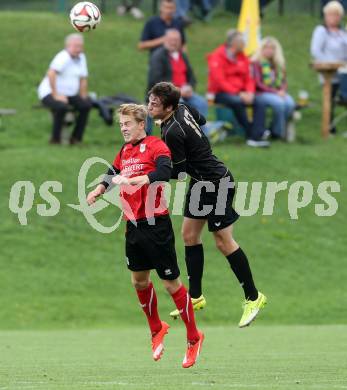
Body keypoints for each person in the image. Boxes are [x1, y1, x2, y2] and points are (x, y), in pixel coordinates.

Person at [86, 103, 204, 368]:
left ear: (142, 124)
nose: (123, 129)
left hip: (156, 224)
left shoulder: (156, 146)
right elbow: (113, 171)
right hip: (133, 225)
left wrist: (135, 181)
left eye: (127, 124)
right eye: (121, 125)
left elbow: (164, 173)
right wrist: (99, 189)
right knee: (139, 281)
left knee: (170, 283)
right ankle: (156, 329)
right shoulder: (125, 151)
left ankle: (194, 337)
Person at [147, 82, 267, 327]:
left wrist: (149, 172)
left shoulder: (172, 132)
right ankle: (195, 297)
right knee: (189, 235)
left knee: (223, 242)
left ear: (168, 107)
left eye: (155, 104)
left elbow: (179, 172)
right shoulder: (183, 107)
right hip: (201, 182)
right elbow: (200, 120)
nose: (149, 106)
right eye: (149, 100)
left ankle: (253, 297)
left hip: (216, 183)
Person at [207, 29, 268, 147]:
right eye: (243, 41)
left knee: (260, 101)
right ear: (234, 43)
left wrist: (250, 92)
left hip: (242, 93)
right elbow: (220, 82)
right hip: (220, 93)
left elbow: (249, 78)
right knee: (237, 102)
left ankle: (256, 135)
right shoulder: (217, 56)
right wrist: (239, 94)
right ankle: (253, 135)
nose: (245, 44)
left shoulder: (243, 57)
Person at [38, 33, 92, 145]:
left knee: (86, 105)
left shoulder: (81, 57)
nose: (79, 49)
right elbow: (51, 73)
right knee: (61, 107)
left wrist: (83, 95)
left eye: (80, 46)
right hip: (49, 93)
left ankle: (76, 139)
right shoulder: (63, 57)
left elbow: (83, 78)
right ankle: (55, 140)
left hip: (69, 94)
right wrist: (56, 94)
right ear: (68, 46)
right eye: (76, 46)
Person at [148, 29, 208, 119]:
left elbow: (191, 76)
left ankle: (199, 131)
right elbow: (156, 79)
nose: (173, 43)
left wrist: (190, 87)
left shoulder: (182, 55)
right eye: (171, 40)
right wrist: (177, 91)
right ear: (165, 40)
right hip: (167, 94)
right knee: (181, 105)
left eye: (176, 40)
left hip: (185, 92)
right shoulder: (158, 56)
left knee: (201, 103)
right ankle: (182, 131)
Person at [311, 1, 347, 133]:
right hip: (329, 71)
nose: (333, 17)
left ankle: (344, 96)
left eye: (336, 15)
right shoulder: (321, 31)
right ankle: (329, 127)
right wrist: (330, 63)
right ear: (325, 15)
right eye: (331, 14)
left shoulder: (343, 32)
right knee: (329, 98)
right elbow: (316, 51)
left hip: (344, 71)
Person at [252, 37, 295, 139]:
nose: (269, 50)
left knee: (290, 103)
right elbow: (258, 84)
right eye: (266, 47)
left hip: (277, 92)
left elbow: (284, 81)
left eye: (272, 48)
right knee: (279, 103)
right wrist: (276, 92)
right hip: (261, 93)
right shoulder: (256, 63)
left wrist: (283, 90)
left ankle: (274, 128)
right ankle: (277, 133)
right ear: (261, 49)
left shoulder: (278, 64)